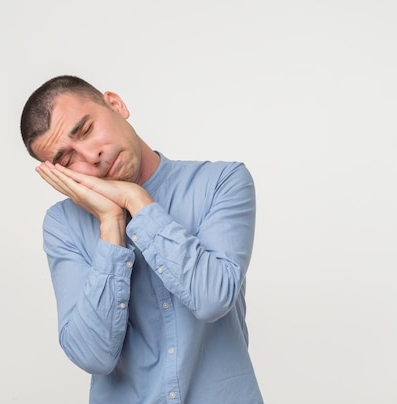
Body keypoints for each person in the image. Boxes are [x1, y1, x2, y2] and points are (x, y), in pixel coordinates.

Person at [20, 75, 264, 404]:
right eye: (67, 159)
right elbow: (93, 355)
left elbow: (211, 297)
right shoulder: (63, 224)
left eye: (87, 129)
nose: (91, 156)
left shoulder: (221, 182)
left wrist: (137, 200)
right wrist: (111, 223)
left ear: (116, 104)